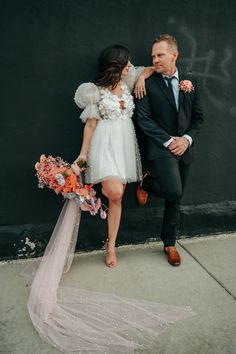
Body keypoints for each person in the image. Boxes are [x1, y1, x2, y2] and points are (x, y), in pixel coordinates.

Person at [73, 45, 154, 267]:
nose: (131, 66)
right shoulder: (95, 91)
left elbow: (150, 68)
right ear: (116, 65)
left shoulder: (127, 83)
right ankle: (105, 232)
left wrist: (140, 79)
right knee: (114, 191)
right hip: (105, 145)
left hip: (125, 147)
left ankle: (111, 245)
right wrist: (82, 156)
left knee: (116, 198)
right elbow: (90, 126)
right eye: (127, 63)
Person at [135, 34, 204, 266]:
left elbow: (198, 119)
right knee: (174, 192)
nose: (155, 59)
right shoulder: (146, 83)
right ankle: (146, 182)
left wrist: (186, 140)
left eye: (160, 55)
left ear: (174, 55)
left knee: (176, 199)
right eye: (153, 56)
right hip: (160, 147)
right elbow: (143, 120)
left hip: (184, 147)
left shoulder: (190, 82)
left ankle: (169, 244)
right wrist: (168, 141)